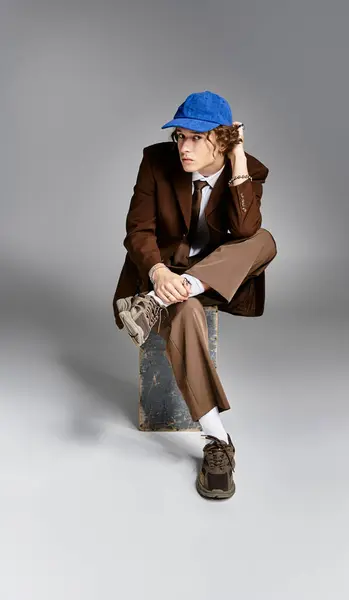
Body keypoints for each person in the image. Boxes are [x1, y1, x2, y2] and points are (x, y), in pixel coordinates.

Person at [112, 90, 277, 500]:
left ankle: (178, 292)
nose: (183, 147)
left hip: (215, 279)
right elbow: (138, 230)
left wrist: (237, 160)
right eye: (179, 137)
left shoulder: (247, 169)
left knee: (265, 240)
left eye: (196, 138)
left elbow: (244, 232)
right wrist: (157, 271)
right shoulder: (156, 161)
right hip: (162, 277)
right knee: (185, 314)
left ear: (221, 139)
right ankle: (218, 441)